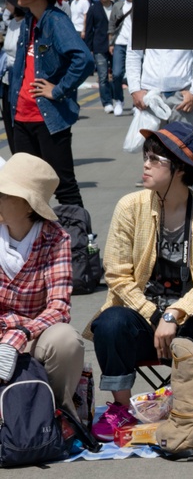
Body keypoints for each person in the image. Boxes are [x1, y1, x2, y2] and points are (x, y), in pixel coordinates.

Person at [85, 121, 193, 442]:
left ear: (180, 169)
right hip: (143, 323)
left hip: (187, 323)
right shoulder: (130, 207)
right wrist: (154, 314)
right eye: (145, 157)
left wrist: (173, 315)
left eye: (155, 159)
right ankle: (120, 408)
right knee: (110, 321)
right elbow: (117, 275)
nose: (145, 165)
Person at [0, 154, 85, 421]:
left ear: (28, 206)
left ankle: (57, 412)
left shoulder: (56, 238)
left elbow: (59, 308)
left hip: (34, 335)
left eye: (4, 194)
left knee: (66, 339)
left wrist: (19, 335)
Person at [8, 0, 95, 207]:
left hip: (48, 119)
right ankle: (39, 243)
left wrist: (57, 90)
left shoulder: (56, 21)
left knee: (64, 187)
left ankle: (81, 242)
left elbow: (84, 59)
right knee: (28, 189)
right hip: (22, 118)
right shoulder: (28, 21)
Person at [126, 41, 193, 129]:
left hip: (182, 96)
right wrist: (134, 89)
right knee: (150, 142)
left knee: (182, 141)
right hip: (150, 96)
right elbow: (133, 52)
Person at [84, 0, 113, 113]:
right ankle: (107, 102)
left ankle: (117, 98)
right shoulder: (93, 8)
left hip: (116, 45)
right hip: (99, 45)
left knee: (118, 75)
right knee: (102, 76)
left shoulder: (117, 6)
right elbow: (89, 29)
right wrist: (88, 48)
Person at [0, 0, 26, 141]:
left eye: (8, 3)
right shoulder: (11, 23)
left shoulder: (27, 24)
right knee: (8, 121)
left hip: (20, 77)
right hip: (7, 77)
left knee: (18, 122)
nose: (5, 6)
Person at [108, 0, 133, 116]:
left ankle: (137, 104)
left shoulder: (142, 5)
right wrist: (110, 43)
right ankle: (118, 100)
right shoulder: (118, 5)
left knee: (138, 76)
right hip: (119, 43)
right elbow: (111, 25)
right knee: (116, 74)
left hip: (136, 45)